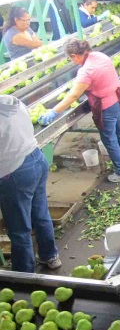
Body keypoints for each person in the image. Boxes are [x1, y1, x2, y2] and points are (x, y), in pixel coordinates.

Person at [38, 39, 120, 183]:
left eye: (70, 58)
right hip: (119, 99)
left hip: (107, 107)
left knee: (109, 138)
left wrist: (54, 111)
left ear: (74, 55)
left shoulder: (86, 71)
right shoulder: (100, 56)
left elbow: (74, 95)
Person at [0, 95, 61, 273]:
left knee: (19, 227)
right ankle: (50, 255)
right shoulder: (11, 101)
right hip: (36, 158)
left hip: (15, 173)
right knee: (40, 213)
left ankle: (24, 274)